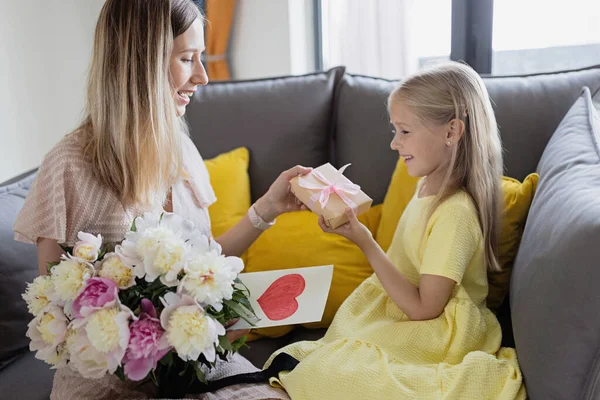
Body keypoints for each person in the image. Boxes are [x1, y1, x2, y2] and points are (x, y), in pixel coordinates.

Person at [13, 0, 304, 398]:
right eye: (187, 59)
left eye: (201, 58)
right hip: (108, 377)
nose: (202, 76)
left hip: (198, 360)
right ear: (141, 64)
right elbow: (55, 309)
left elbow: (206, 264)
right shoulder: (70, 165)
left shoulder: (181, 148)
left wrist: (266, 209)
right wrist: (151, 331)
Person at [265, 62, 527, 399]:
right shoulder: (425, 187)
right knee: (307, 363)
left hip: (437, 330)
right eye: (395, 130)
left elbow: (424, 309)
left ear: (451, 132)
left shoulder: (456, 213)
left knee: (327, 374)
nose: (393, 144)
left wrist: (365, 240)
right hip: (404, 311)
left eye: (404, 131)